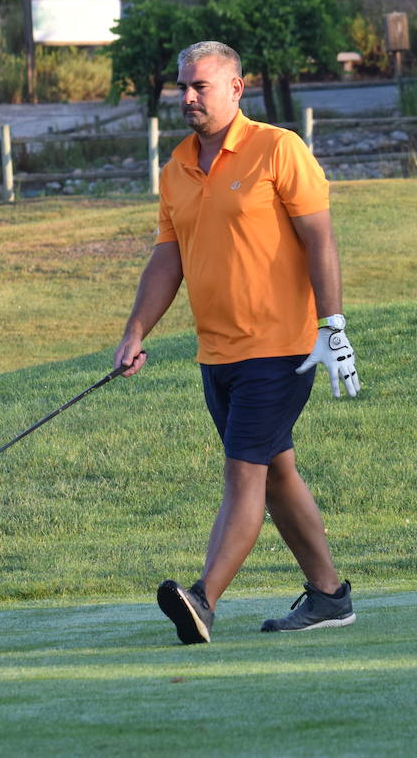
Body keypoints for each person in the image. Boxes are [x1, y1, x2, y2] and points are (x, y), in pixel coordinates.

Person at [113, 41, 362, 644]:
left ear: (236, 88)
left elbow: (319, 240)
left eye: (200, 86)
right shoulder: (176, 170)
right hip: (217, 355)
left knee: (243, 471)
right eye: (182, 87)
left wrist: (333, 324)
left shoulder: (278, 149)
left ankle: (203, 598)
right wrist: (135, 330)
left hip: (281, 347)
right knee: (276, 472)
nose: (189, 97)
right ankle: (329, 596)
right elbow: (166, 261)